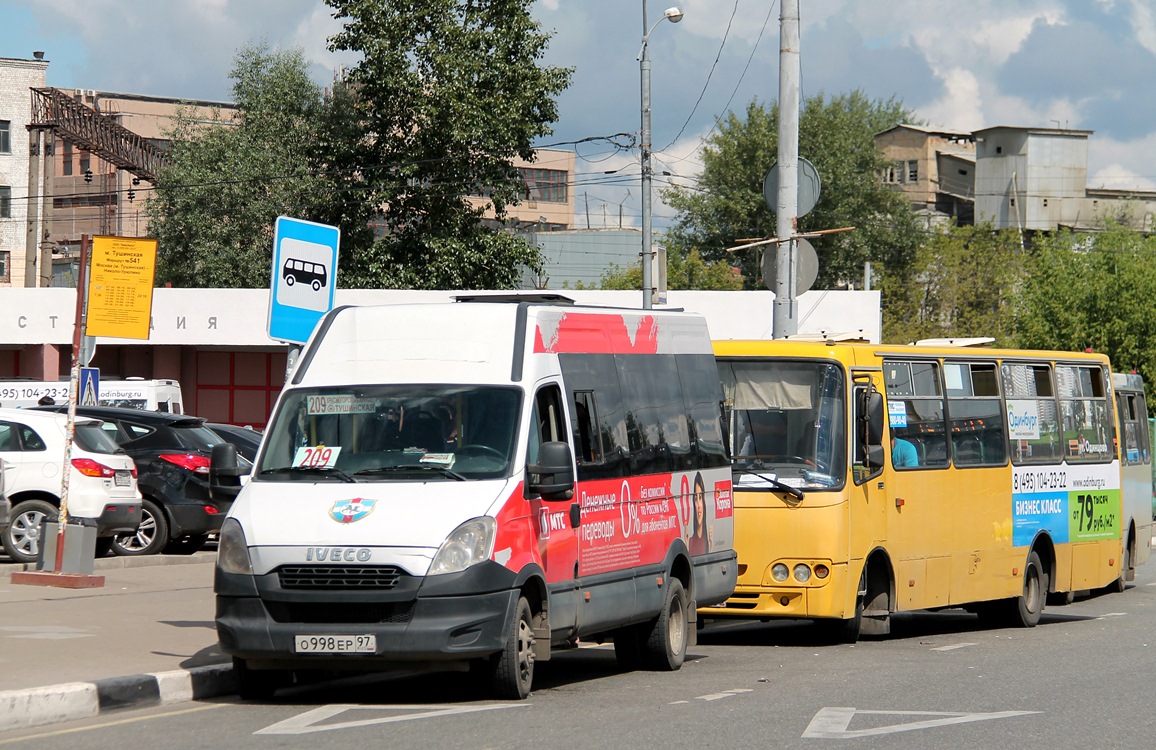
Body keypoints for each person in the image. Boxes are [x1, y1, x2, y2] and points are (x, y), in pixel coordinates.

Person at [688, 472, 712, 555]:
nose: (698, 505)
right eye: (695, 498)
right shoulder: (690, 541)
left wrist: (711, 543)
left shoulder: (709, 539)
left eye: (700, 497)